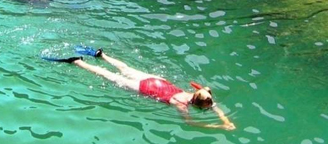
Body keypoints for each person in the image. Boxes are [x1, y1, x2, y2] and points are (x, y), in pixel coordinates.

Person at [49, 49, 235, 130]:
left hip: (157, 81)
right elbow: (191, 124)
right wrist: (219, 125)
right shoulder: (181, 105)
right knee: (111, 77)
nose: (211, 106)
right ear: (198, 104)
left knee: (125, 69)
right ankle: (78, 62)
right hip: (146, 87)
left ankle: (101, 54)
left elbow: (214, 106)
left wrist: (225, 120)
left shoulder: (198, 94)